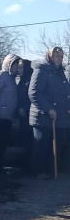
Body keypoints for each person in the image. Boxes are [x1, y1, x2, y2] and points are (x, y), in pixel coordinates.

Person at [28, 46, 70, 178]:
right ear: (50, 57)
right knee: (41, 146)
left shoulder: (60, 72)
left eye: (61, 56)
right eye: (57, 56)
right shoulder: (41, 70)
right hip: (43, 117)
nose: (59, 59)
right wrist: (48, 109)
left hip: (60, 117)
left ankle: (50, 171)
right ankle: (37, 172)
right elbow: (34, 93)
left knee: (57, 145)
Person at [14, 58, 33, 174]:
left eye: (21, 67)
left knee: (29, 142)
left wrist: (24, 108)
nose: (18, 70)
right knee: (25, 143)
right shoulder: (21, 81)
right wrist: (18, 109)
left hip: (28, 116)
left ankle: (29, 167)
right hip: (23, 117)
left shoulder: (29, 81)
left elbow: (31, 97)